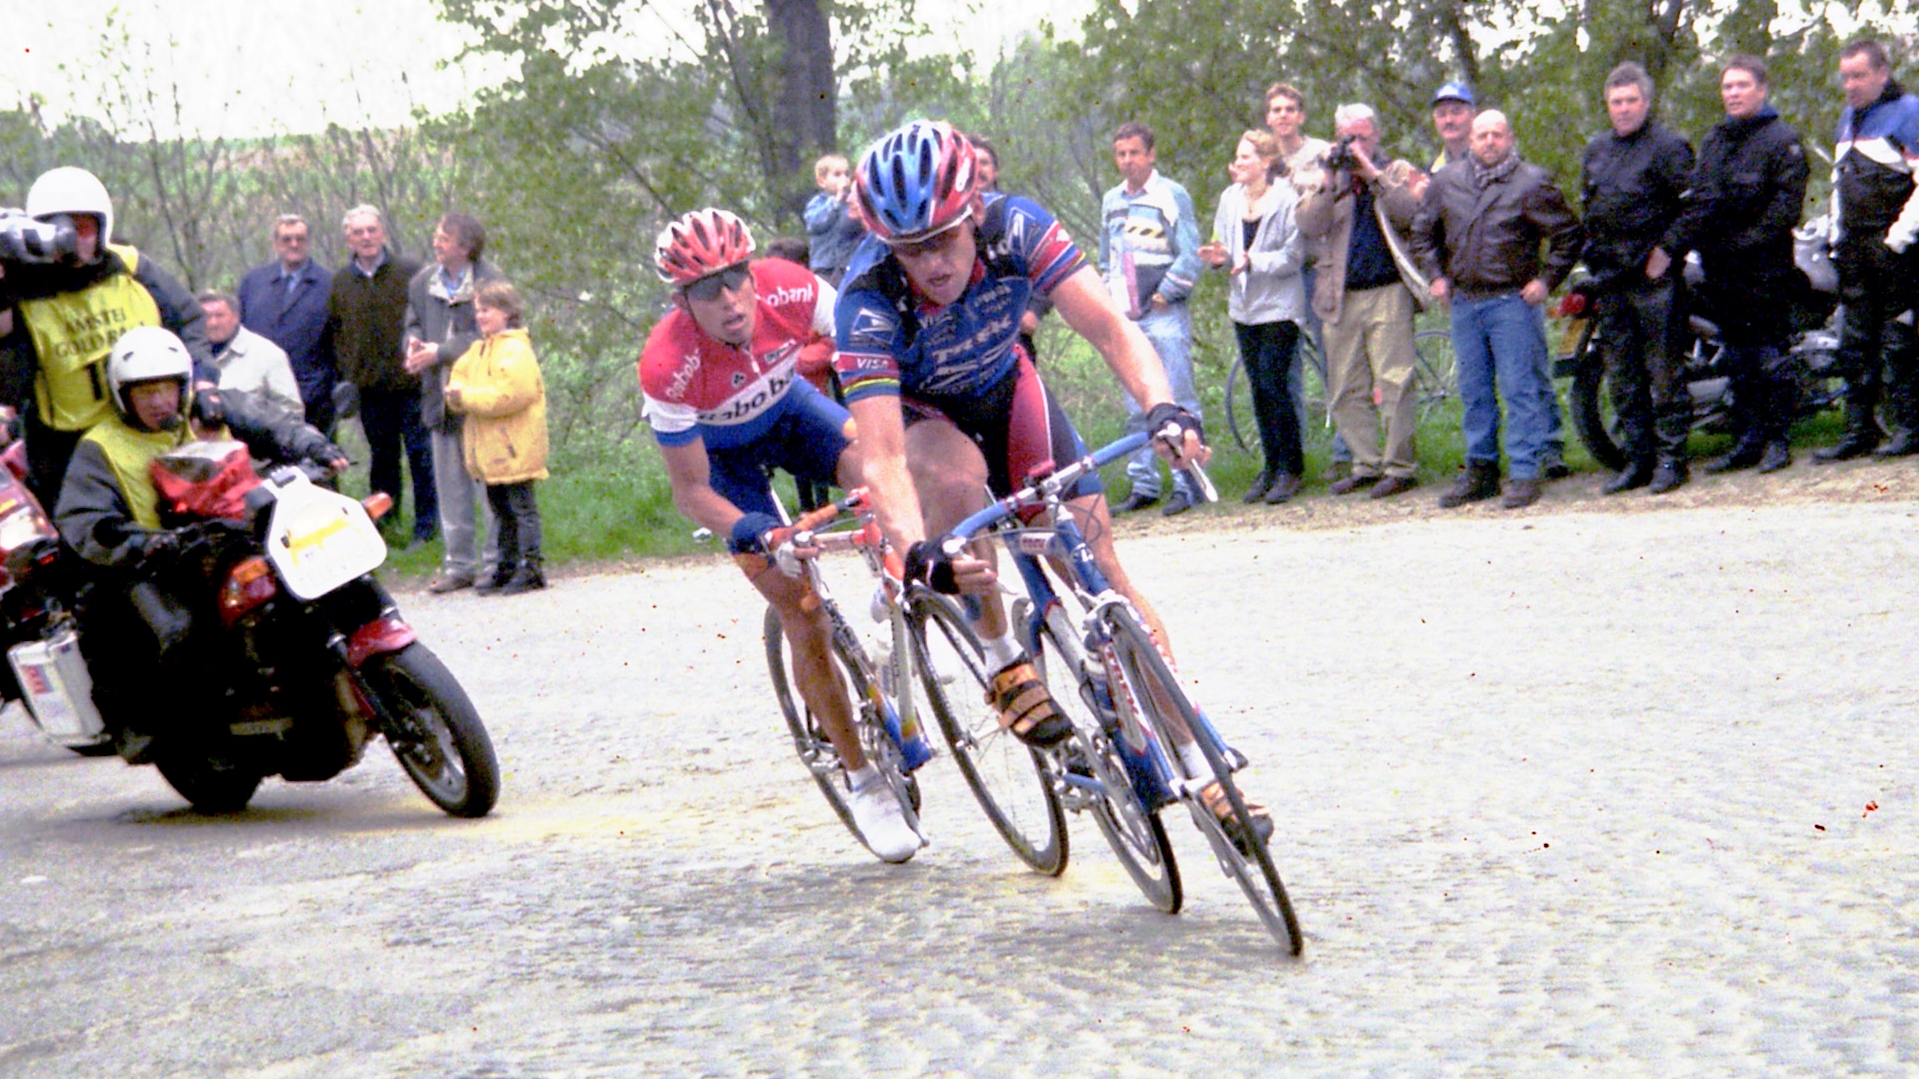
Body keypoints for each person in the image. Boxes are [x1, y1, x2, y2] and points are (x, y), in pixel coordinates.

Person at [835, 120, 1271, 851]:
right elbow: (880, 457)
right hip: (925, 416)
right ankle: (1001, 651)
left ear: (973, 209)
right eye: (911, 249)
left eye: (943, 238)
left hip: (1009, 392)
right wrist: (919, 554)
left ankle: (1202, 765)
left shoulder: (1017, 227)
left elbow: (1108, 326)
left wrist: (1161, 406)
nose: (932, 263)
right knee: (954, 477)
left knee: (1103, 579)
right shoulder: (868, 296)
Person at [639, 208, 923, 864]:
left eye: (736, 278)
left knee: (874, 469)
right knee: (801, 608)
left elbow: (867, 343)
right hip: (723, 465)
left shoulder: (791, 286)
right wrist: (750, 532)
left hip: (792, 413)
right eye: (708, 290)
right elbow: (690, 491)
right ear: (683, 301)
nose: (731, 299)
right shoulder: (667, 364)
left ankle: (893, 581)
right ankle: (861, 777)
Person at [53, 326, 346, 754]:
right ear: (122, 395)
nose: (160, 402)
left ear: (183, 385)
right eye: (145, 392)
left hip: (239, 538)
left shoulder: (211, 409)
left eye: (168, 389)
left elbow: (275, 423)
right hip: (163, 562)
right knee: (181, 632)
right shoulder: (100, 448)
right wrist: (144, 542)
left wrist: (315, 447)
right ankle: (194, 731)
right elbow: (85, 520)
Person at [0, 166, 212, 504]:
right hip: (69, 452)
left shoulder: (130, 268)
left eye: (84, 228)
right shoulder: (24, 295)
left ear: (103, 227)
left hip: (149, 431)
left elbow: (188, 321)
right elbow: (9, 385)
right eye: (60, 229)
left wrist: (202, 383)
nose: (73, 242)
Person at [1413, 110, 1583, 510]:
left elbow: (1569, 234)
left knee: (1519, 388)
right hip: (1465, 302)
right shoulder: (1446, 181)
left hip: (1512, 302)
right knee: (1473, 392)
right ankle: (1481, 470)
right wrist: (1436, 275)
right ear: (1471, 140)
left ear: (1510, 138)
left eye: (1497, 135)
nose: (1489, 141)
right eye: (1482, 135)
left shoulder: (1531, 182)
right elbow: (1423, 231)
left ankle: (1524, 472)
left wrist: (1546, 281)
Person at [1668, 57, 1811, 475]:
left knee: (1770, 357)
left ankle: (1778, 441)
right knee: (1739, 359)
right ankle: (1747, 441)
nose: (1732, 93)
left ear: (1761, 89)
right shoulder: (1715, 140)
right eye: (1727, 86)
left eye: (1741, 85)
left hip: (1764, 268)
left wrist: (1744, 244)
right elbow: (1703, 199)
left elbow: (1785, 208)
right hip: (1722, 270)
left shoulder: (1782, 139)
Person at [1578, 62, 1697, 494]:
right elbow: (1587, 205)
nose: (1624, 109)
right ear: (1607, 105)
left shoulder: (1669, 146)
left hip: (1654, 280)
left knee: (1663, 373)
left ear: (1645, 102)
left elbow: (1694, 206)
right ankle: (1638, 460)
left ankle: (1672, 461)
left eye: (1631, 100)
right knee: (1622, 375)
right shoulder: (1596, 150)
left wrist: (1667, 250)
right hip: (1611, 277)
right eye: (1616, 102)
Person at [1297, 103, 1426, 500]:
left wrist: (1371, 174)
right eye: (1347, 137)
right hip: (1340, 294)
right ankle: (1366, 463)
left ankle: (1400, 466)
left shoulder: (1396, 171)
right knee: (1344, 388)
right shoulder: (1330, 177)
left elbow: (1413, 214)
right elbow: (1307, 225)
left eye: (1362, 137)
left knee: (1395, 382)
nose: (1354, 145)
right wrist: (1328, 181)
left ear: (1376, 136)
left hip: (1387, 290)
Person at [1815, 39, 1919, 462]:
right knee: (1854, 343)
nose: (1850, 85)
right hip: (1853, 248)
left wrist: (1897, 239)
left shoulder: (1909, 112)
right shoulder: (1848, 118)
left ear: (1882, 72)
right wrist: (1835, 235)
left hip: (1895, 249)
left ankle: (1909, 428)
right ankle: (1858, 433)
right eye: (1845, 77)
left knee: (1898, 341)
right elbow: (1841, 183)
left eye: (1858, 75)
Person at [1100, 121, 1206, 516]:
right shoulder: (1112, 200)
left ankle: (1187, 481)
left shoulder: (1170, 194)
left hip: (1164, 312)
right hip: (1128, 316)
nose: (1127, 161)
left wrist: (1167, 291)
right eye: (1121, 154)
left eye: (1134, 153)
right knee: (1136, 402)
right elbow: (1106, 255)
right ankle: (1144, 483)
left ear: (1150, 155)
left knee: (1177, 398)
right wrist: (1110, 301)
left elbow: (1189, 251)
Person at [1199, 129, 1309, 503]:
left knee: (1275, 384)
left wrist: (1252, 261)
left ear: (1265, 161)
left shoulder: (1286, 200)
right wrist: (1220, 259)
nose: (1238, 163)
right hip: (1243, 308)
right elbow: (1225, 248)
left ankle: (1290, 468)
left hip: (1279, 306)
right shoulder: (1230, 199)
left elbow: (1293, 258)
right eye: (1237, 157)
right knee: (1258, 389)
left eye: (1246, 157)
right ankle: (1270, 464)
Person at [321, 205, 435, 545]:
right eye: (358, 232)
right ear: (348, 239)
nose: (366, 237)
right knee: (383, 462)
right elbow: (337, 331)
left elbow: (430, 318)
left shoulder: (411, 271)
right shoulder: (341, 281)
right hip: (370, 389)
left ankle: (427, 529)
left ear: (382, 233)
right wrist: (348, 374)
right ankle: (384, 528)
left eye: (371, 230)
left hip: (412, 384)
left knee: (421, 457)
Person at [404, 212, 505, 594]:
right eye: (436, 236)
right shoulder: (421, 282)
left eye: (444, 238)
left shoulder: (490, 281)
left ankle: (495, 562)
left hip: (480, 397)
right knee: (449, 487)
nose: (436, 242)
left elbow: (489, 333)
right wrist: (412, 346)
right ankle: (458, 566)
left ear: (466, 247)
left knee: (488, 486)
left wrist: (440, 351)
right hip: (438, 397)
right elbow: (412, 322)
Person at [1265, 81, 1349, 480]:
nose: (1282, 116)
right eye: (1275, 110)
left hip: (1316, 265)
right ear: (1268, 117)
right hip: (1279, 271)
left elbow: (1323, 198)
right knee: (1286, 367)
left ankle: (1346, 450)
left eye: (1289, 109)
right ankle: (1288, 459)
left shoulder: (1318, 152)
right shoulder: (1263, 157)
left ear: (1300, 115)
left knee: (1334, 356)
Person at [445, 280, 547, 596]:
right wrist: (457, 396)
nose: (480, 316)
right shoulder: (479, 350)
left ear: (506, 311)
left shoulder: (516, 350)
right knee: (501, 512)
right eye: (478, 310)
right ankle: (505, 566)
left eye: (485, 310)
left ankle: (531, 567)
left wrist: (465, 396)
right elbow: (457, 381)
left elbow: (508, 396)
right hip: (490, 450)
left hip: (514, 447)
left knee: (520, 509)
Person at [235, 214, 335, 432]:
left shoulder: (330, 284)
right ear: (275, 243)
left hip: (313, 397)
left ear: (309, 242)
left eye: (300, 238)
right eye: (286, 239)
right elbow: (238, 333)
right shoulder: (253, 282)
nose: (294, 244)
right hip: (258, 396)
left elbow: (340, 343)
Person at [196, 290, 303, 416]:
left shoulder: (268, 354)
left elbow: (292, 412)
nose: (213, 323)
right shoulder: (186, 354)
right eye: (206, 316)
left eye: (219, 316)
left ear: (235, 317)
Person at [802, 154, 866, 287]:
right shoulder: (817, 203)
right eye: (837, 175)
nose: (844, 179)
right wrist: (835, 201)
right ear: (822, 181)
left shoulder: (852, 202)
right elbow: (815, 224)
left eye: (846, 174)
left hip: (848, 267)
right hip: (824, 268)